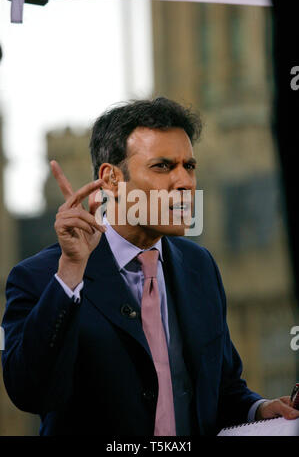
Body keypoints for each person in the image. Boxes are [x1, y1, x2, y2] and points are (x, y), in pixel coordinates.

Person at [1, 97, 298, 436]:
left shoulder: (199, 268)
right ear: (111, 179)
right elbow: (30, 391)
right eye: (163, 166)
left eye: (189, 166)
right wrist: (71, 270)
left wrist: (259, 408)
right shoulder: (41, 277)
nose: (184, 182)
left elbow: (223, 388)